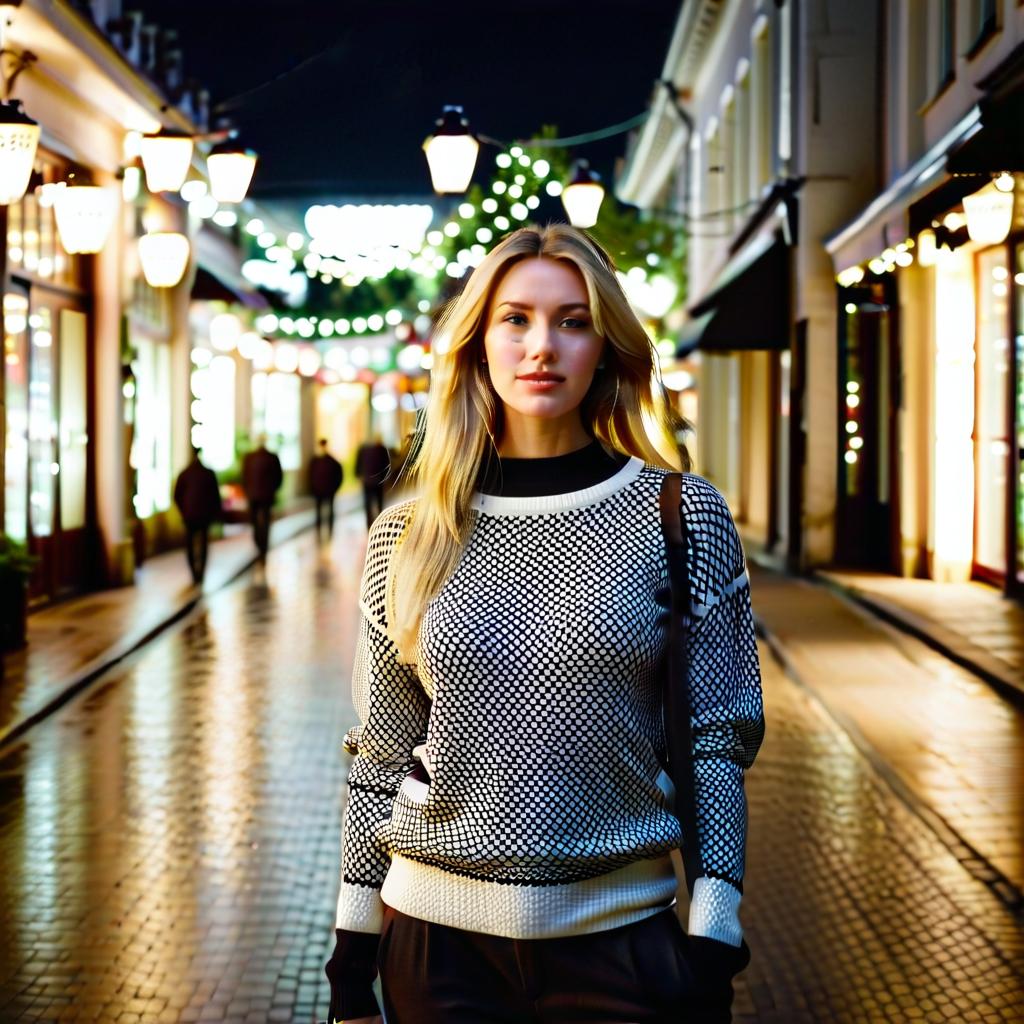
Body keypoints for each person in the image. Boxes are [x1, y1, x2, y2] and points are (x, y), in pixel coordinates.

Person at [325, 226, 764, 1024]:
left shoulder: (679, 514)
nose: (541, 347)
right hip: (437, 946)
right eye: (515, 319)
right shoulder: (409, 533)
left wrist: (714, 929)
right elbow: (382, 752)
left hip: (621, 942)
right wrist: (353, 949)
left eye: (572, 321)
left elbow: (716, 740)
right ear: (477, 342)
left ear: (605, 344)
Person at [173, 447, 222, 585]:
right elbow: (215, 496)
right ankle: (200, 572)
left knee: (189, 543)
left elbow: (176, 496)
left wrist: (183, 510)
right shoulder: (208, 473)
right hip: (204, 514)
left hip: (189, 515)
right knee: (203, 542)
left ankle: (194, 572)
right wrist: (215, 513)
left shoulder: (184, 473)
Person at [242, 437, 283, 560]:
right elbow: (278, 477)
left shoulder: (249, 458)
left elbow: (244, 477)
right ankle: (262, 545)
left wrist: (248, 491)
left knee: (256, 521)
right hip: (266, 495)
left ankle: (260, 544)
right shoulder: (271, 457)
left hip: (254, 496)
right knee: (265, 521)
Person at [309, 438, 344, 542]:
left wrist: (335, 488)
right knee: (319, 513)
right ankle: (319, 531)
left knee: (329, 512)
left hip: (329, 491)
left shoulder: (331, 461)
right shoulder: (315, 461)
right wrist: (313, 488)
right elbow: (309, 476)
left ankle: (330, 531)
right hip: (319, 491)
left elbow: (339, 475)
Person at [353, 435, 390, 527]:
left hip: (368, 481)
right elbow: (387, 465)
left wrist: (358, 476)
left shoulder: (364, 449)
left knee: (369, 504)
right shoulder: (381, 449)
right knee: (378, 503)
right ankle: (378, 522)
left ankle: (370, 524)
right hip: (377, 481)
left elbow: (358, 464)